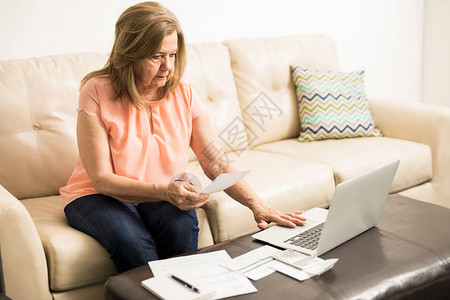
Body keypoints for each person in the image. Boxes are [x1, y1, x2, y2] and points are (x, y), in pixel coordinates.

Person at [60, 1, 306, 273]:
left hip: (161, 191)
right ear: (130, 54)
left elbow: (215, 162)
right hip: (97, 195)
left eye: (173, 55)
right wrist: (165, 191)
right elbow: (101, 179)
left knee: (182, 227)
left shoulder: (184, 93)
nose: (168, 67)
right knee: (134, 244)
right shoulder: (96, 90)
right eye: (156, 57)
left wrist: (257, 205)